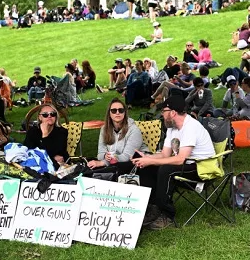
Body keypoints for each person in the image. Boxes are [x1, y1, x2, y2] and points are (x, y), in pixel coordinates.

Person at [131, 95, 215, 229]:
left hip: (201, 167)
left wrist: (152, 161)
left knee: (165, 170)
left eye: (163, 112)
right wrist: (147, 158)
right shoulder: (171, 127)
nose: (161, 115)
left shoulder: (190, 126)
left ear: (173, 113)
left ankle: (167, 215)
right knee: (148, 167)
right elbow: (165, 154)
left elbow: (181, 159)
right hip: (186, 165)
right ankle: (153, 208)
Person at [87, 98, 145, 169]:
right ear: (109, 113)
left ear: (125, 113)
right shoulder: (104, 129)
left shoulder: (134, 130)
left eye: (121, 110)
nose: (117, 113)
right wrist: (105, 155)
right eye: (114, 110)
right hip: (116, 164)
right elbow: (100, 154)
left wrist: (103, 162)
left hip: (137, 165)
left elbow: (126, 157)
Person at [23, 104, 69, 169]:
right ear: (40, 117)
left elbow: (58, 153)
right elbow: (29, 151)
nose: (49, 116)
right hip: (36, 165)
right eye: (45, 115)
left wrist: (45, 136)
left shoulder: (62, 132)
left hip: (59, 166)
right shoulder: (33, 131)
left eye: (53, 114)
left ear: (56, 117)